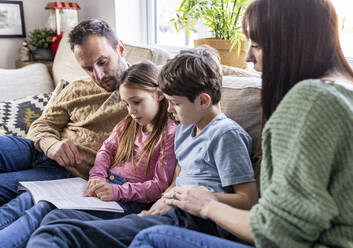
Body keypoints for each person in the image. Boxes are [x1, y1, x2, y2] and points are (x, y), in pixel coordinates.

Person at [124, 0, 353, 247]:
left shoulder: (309, 101)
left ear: (289, 44)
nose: (248, 57)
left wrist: (207, 205)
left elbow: (278, 232)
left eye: (256, 45)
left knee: (152, 239)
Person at [26, 46, 259, 248]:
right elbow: (177, 179)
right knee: (54, 220)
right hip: (172, 210)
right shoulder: (187, 127)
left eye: (176, 104)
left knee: (55, 234)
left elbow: (248, 200)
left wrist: (204, 199)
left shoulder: (225, 135)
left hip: (197, 221)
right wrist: (162, 201)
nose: (169, 111)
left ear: (203, 101)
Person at [0, 62, 178, 248]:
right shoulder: (129, 123)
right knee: (31, 198)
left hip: (127, 202)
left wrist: (117, 191)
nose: (131, 111)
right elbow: (106, 150)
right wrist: (96, 177)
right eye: (126, 104)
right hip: (102, 187)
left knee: (46, 208)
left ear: (158, 94)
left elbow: (159, 186)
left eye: (136, 102)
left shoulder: (170, 135)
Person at [0, 19, 128, 207]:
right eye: (89, 68)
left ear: (121, 49)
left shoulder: (144, 92)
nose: (99, 75)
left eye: (103, 62)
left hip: (66, 172)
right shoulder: (78, 87)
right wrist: (51, 145)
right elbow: (41, 125)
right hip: (37, 150)